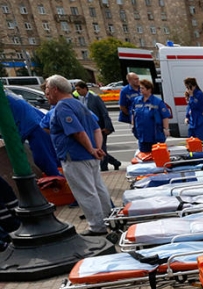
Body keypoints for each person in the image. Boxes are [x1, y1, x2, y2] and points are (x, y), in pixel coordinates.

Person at [43, 75, 113, 236]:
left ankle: (97, 226)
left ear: (55, 89)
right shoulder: (79, 104)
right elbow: (96, 128)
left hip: (75, 156)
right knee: (98, 188)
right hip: (90, 156)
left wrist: (91, 149)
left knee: (85, 192)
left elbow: (77, 132)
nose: (46, 93)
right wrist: (97, 148)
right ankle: (110, 218)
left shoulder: (62, 107)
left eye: (47, 89)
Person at [5, 91, 61, 176]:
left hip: (32, 125)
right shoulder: (5, 93)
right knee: (51, 156)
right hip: (36, 121)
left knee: (44, 159)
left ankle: (60, 181)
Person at [73, 81, 120, 172]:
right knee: (97, 148)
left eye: (79, 89)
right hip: (89, 128)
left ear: (85, 88)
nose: (77, 91)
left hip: (100, 128)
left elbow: (104, 112)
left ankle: (104, 168)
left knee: (101, 148)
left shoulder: (94, 98)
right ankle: (115, 162)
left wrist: (107, 126)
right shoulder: (80, 99)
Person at [131, 79, 172, 157]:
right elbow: (133, 114)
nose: (140, 90)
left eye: (143, 88)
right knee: (144, 156)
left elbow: (165, 116)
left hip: (155, 135)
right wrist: (133, 126)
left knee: (158, 156)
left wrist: (166, 129)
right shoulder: (137, 101)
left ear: (149, 89)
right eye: (140, 88)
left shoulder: (157, 102)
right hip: (142, 135)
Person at [183, 77, 203, 147]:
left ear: (194, 86)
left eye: (189, 87)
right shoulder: (190, 95)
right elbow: (189, 107)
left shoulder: (199, 94)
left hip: (200, 121)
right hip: (192, 122)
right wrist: (187, 116)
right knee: (191, 140)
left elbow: (194, 105)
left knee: (201, 142)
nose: (188, 89)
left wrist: (191, 96)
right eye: (187, 87)